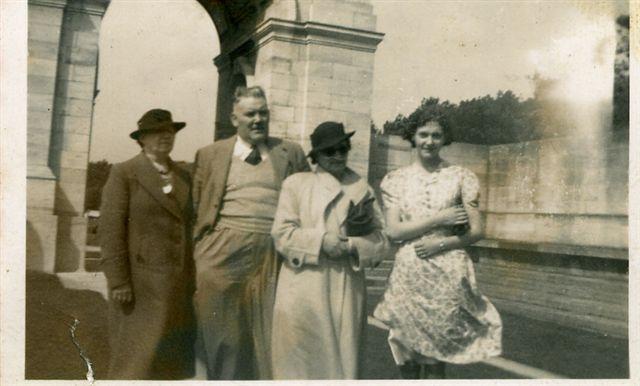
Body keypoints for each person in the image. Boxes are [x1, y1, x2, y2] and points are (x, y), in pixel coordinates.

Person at [191, 86, 310, 380]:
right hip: (222, 252)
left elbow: (308, 198)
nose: (258, 120)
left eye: (263, 113)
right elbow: (196, 206)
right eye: (251, 114)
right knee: (222, 337)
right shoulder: (210, 155)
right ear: (235, 119)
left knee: (271, 338)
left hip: (272, 255)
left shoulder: (290, 152)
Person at [372, 111, 502, 379]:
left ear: (445, 139)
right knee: (405, 349)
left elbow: (477, 230)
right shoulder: (396, 180)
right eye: (423, 135)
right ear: (413, 137)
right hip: (409, 270)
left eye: (436, 135)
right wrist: (439, 218)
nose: (429, 141)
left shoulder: (460, 177)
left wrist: (440, 244)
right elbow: (394, 230)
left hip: (446, 272)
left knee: (435, 352)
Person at [270, 121, 390, 379]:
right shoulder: (297, 184)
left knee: (342, 365)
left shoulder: (362, 188)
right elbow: (281, 234)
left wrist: (352, 246)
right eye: (329, 151)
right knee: (300, 365)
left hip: (346, 286)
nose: (337, 155)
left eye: (342, 149)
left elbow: (382, 241)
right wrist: (321, 241)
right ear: (316, 156)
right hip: (304, 288)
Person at [100, 109, 195, 380]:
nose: (165, 136)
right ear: (142, 139)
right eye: (157, 132)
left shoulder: (184, 176)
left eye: (170, 131)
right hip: (139, 287)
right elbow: (110, 229)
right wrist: (119, 281)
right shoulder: (124, 173)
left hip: (177, 286)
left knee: (167, 365)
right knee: (134, 363)